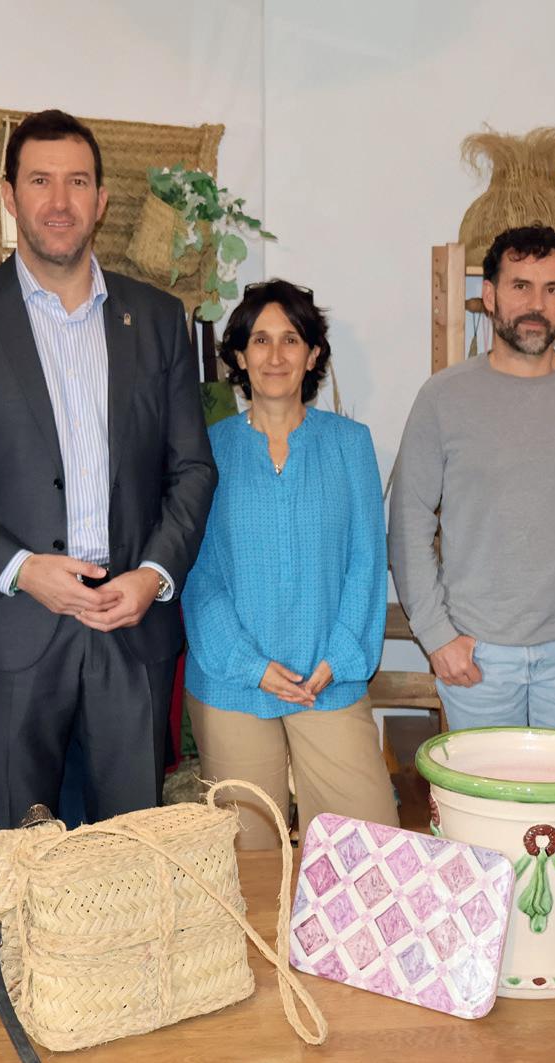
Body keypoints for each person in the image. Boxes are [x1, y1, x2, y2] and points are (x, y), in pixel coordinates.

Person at [0, 109, 216, 830]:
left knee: (130, 853)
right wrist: (21, 568)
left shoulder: (157, 318)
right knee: (22, 856)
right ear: (9, 196)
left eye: (77, 182)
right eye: (40, 180)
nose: (59, 201)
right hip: (15, 627)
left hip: (130, 624)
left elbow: (193, 469)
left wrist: (153, 575)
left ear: (100, 200)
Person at [388, 225, 555, 736]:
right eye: (520, 286)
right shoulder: (443, 397)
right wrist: (437, 636)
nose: (536, 304)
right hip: (476, 658)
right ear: (490, 294)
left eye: (552, 289)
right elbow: (408, 523)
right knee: (481, 792)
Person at [181, 280, 398, 848]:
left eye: (290, 339)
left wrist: (341, 657)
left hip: (327, 679)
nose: (275, 355)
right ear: (239, 356)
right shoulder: (207, 450)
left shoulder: (350, 444)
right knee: (249, 859)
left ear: (313, 354)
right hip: (234, 684)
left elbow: (366, 561)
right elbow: (198, 573)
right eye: (260, 340)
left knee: (367, 852)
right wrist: (248, 664)